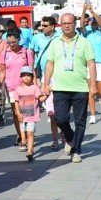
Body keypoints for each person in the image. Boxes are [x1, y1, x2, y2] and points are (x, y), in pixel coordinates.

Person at [41, 12, 96, 163]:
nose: (66, 25)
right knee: (60, 118)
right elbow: (49, 64)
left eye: (69, 23)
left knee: (80, 121)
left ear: (75, 24)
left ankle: (76, 150)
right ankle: (70, 138)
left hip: (80, 88)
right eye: (64, 23)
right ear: (60, 25)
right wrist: (46, 84)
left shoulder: (84, 42)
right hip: (60, 87)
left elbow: (91, 64)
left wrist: (93, 85)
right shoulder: (55, 42)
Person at [30, 16, 61, 149]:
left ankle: (66, 137)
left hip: (60, 77)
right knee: (51, 112)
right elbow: (33, 58)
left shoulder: (60, 36)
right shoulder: (37, 38)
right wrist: (35, 78)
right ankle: (55, 140)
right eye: (42, 25)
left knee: (62, 112)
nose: (43, 28)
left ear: (53, 26)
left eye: (45, 25)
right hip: (45, 78)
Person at [1, 29, 34, 149]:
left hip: (25, 87)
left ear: (19, 40)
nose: (11, 45)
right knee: (17, 114)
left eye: (13, 42)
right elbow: (2, 71)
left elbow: (31, 70)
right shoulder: (5, 53)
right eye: (9, 42)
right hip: (11, 88)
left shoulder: (27, 52)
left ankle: (27, 137)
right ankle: (21, 136)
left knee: (27, 114)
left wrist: (34, 86)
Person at [78, 5, 101, 123]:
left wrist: (92, 11)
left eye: (95, 21)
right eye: (92, 21)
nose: (93, 23)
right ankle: (93, 115)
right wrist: (83, 11)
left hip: (100, 63)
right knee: (91, 91)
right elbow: (81, 25)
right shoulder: (87, 33)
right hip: (89, 64)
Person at [13, 67, 45, 162]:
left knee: (30, 133)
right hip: (22, 116)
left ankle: (30, 152)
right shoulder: (18, 89)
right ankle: (26, 144)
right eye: (24, 75)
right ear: (21, 77)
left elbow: (40, 99)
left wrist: (46, 95)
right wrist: (18, 113)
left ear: (32, 77)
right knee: (24, 133)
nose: (26, 77)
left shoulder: (35, 88)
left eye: (28, 75)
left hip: (32, 116)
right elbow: (16, 102)